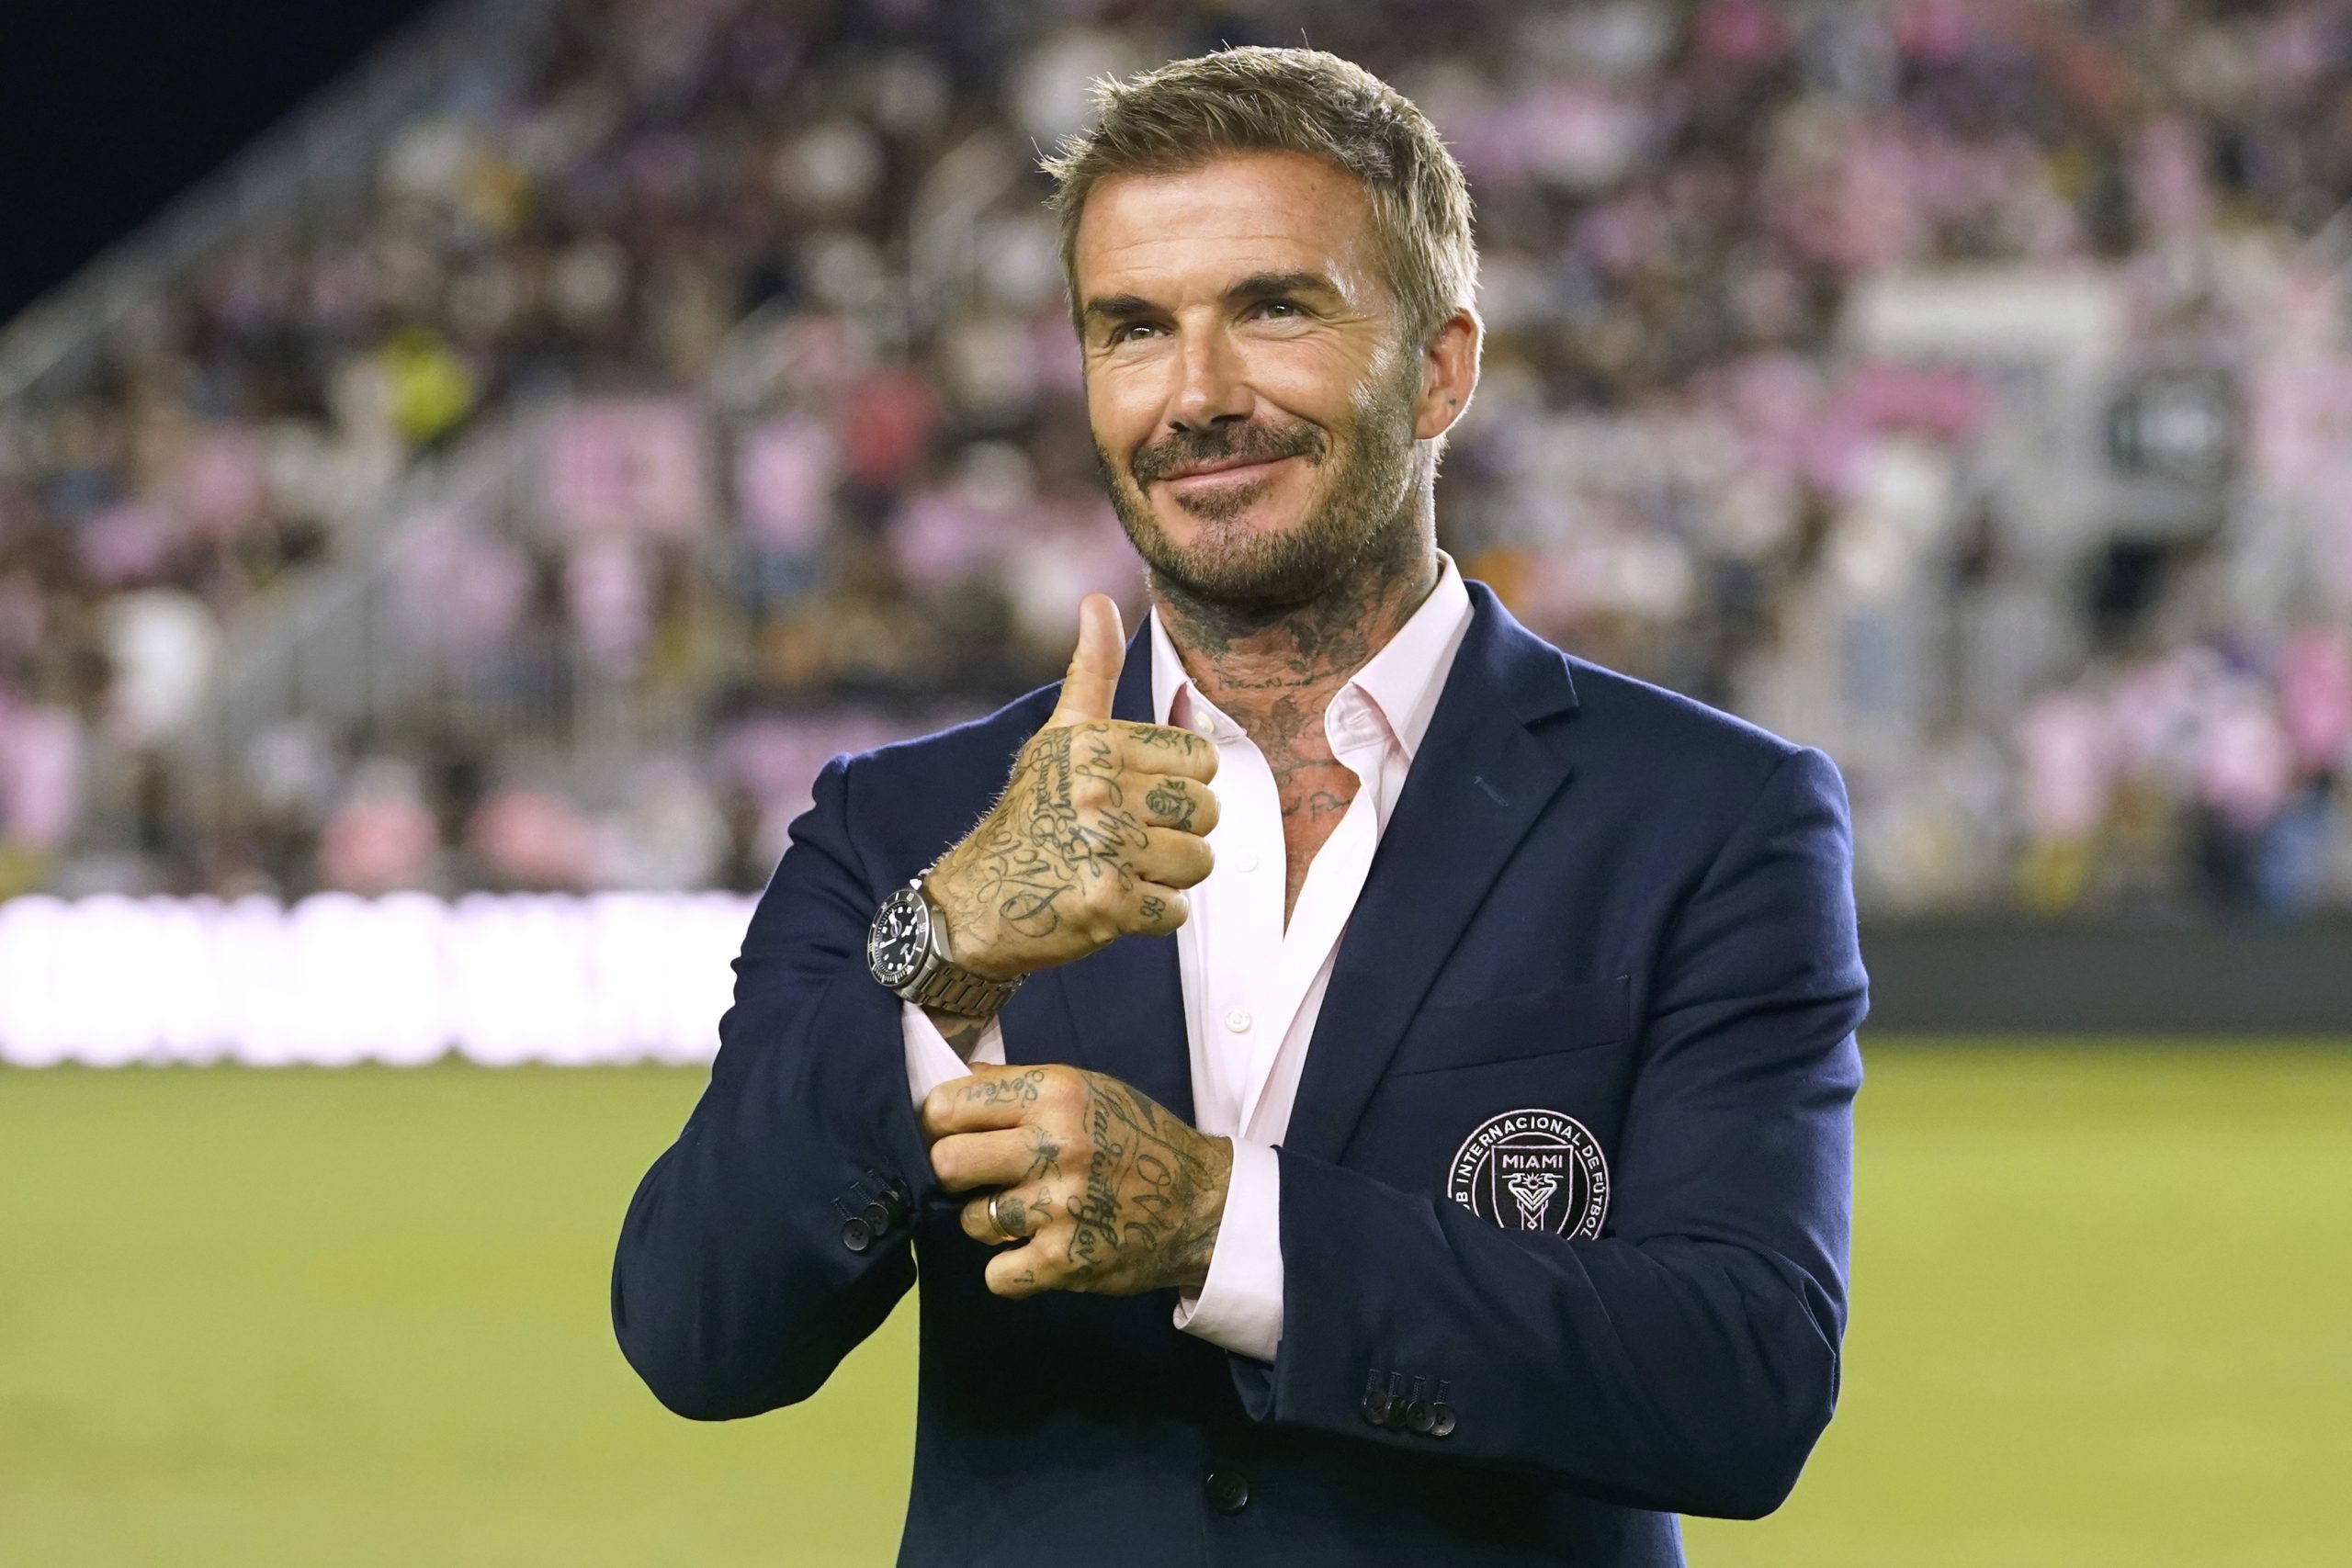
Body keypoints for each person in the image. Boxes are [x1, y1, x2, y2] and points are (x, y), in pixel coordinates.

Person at [613, 46, 1866, 1567]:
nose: (1197, 395)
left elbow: (1743, 1382)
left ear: (1442, 368)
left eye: (1274, 309)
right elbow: (698, 1331)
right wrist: (949, 946)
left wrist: (1222, 1225)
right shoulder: (913, 827)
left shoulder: (1706, 816)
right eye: (1135, 329)